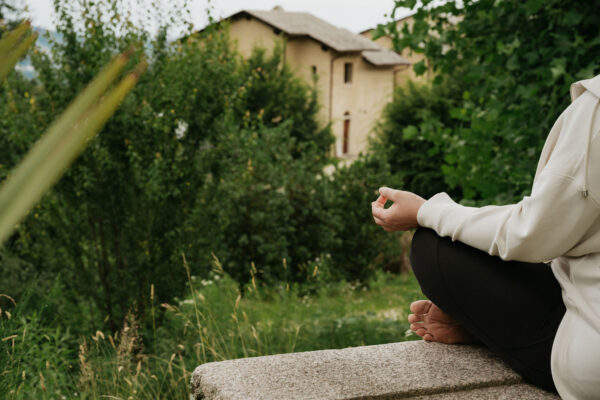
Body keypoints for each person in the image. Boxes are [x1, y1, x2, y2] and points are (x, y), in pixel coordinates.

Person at [372, 75, 600, 400]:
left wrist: (425, 212)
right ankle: (485, 328)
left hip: (589, 358)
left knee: (433, 247)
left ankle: (488, 333)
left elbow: (531, 233)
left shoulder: (596, 112)